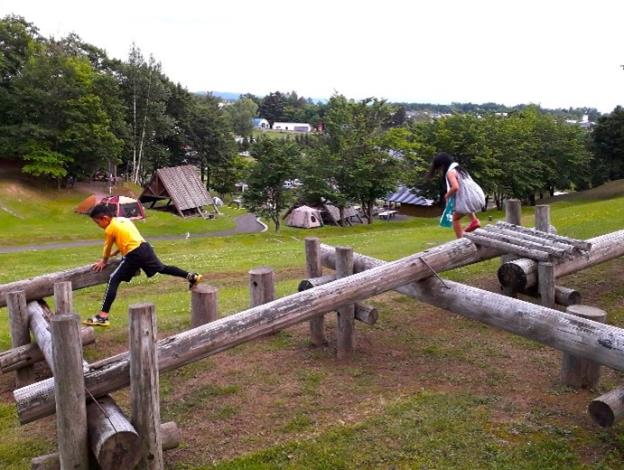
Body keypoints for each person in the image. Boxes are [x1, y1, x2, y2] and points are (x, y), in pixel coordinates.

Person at [85, 203, 203, 326]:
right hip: (145, 248)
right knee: (162, 268)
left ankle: (103, 316)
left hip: (134, 255)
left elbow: (107, 248)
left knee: (113, 279)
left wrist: (104, 261)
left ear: (105, 218)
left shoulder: (110, 229)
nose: (99, 226)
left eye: (98, 223)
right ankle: (192, 277)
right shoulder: (122, 220)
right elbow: (128, 237)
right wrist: (117, 251)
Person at [428, 152, 485, 239]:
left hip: (471, 199)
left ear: (443, 165)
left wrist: (447, 195)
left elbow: (455, 187)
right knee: (465, 204)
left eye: (439, 168)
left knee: (455, 219)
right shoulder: (461, 170)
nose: (440, 170)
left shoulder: (450, 173)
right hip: (478, 197)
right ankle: (474, 221)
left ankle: (460, 240)